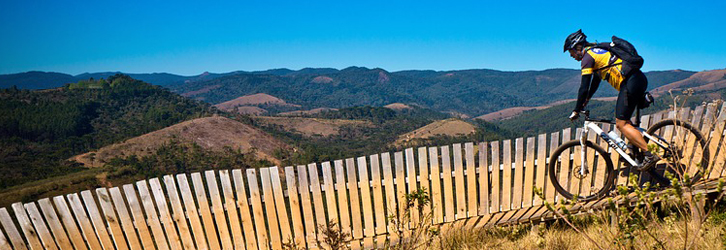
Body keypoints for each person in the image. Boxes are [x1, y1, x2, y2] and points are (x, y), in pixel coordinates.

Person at [563, 29, 659, 170]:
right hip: (637, 79)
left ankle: (649, 155)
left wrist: (576, 109)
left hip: (630, 82)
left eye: (571, 51)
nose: (571, 56)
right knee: (626, 122)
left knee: (621, 124)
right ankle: (633, 152)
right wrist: (587, 99)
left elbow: (583, 87)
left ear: (578, 47)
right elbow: (595, 82)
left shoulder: (587, 58)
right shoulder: (596, 52)